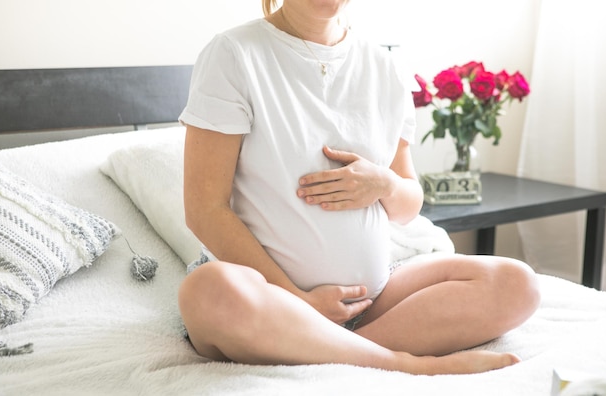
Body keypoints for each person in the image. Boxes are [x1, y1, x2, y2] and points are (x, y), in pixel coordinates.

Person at [177, 0, 540, 375]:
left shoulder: (385, 68)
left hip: (373, 303)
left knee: (517, 285)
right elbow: (205, 209)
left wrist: (384, 184)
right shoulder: (234, 54)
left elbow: (408, 204)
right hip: (271, 300)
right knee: (207, 291)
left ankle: (328, 348)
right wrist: (297, 300)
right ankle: (406, 364)